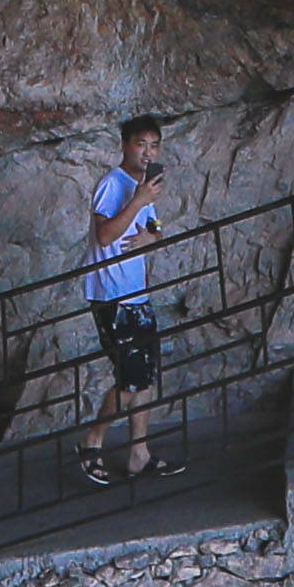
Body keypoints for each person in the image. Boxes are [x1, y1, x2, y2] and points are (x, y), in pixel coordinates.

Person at [77, 119, 174, 488]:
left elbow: (155, 228)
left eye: (154, 145)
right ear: (124, 145)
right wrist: (137, 201)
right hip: (113, 296)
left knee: (144, 378)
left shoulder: (144, 189)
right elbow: (104, 237)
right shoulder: (113, 184)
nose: (147, 152)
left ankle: (139, 454)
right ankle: (92, 443)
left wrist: (153, 235)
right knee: (129, 382)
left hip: (138, 294)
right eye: (140, 144)